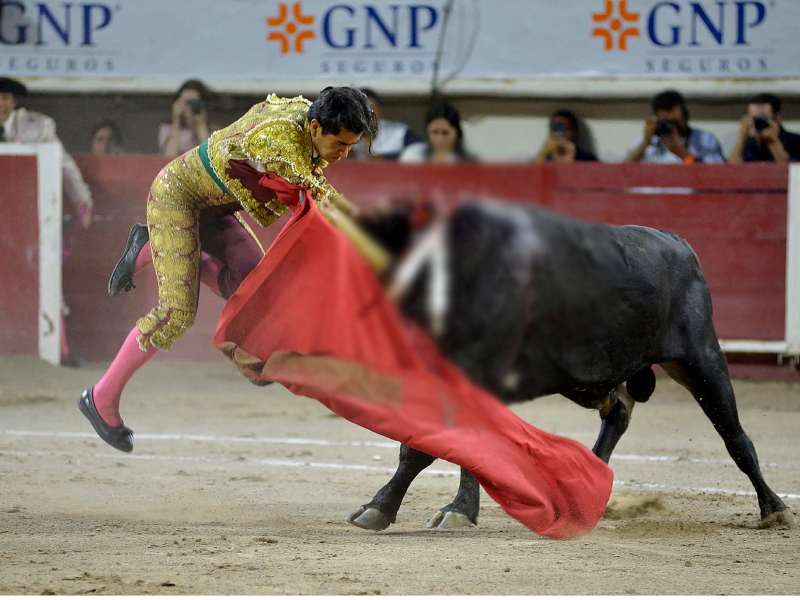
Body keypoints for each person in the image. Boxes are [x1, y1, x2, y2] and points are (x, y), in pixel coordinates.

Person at [78, 87, 378, 453]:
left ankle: (151, 247)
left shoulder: (310, 121)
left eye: (352, 145)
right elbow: (318, 199)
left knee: (252, 287)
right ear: (315, 127)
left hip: (216, 206)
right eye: (341, 144)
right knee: (176, 313)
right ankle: (101, 397)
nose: (345, 154)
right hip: (178, 197)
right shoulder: (281, 140)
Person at [0, 77, 93, 367]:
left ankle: (59, 349)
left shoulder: (38, 127)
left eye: (4, 98)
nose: (0, 103)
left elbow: (63, 164)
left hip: (30, 218)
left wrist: (82, 200)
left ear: (14, 101)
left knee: (47, 278)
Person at [626, 89, 725, 164]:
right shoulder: (649, 140)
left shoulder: (705, 140)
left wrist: (681, 152)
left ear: (686, 115)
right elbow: (623, 173)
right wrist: (645, 143)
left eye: (676, 123)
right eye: (667, 123)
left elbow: (714, 177)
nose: (673, 128)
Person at [350, 88, 422, 160]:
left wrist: (383, 158)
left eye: (371, 109)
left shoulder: (398, 132)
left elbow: (421, 153)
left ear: (380, 110)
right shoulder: (342, 135)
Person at [728, 93, 800, 163]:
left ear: (778, 118)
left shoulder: (795, 142)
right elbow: (731, 171)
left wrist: (773, 142)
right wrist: (742, 138)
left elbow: (793, 171)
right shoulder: (749, 145)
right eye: (755, 119)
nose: (759, 123)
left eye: (763, 119)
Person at [399, 102, 475, 163]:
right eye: (434, 132)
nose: (440, 139)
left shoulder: (465, 163)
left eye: (445, 133)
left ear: (456, 133)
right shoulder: (413, 156)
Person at [159, 79, 214, 157]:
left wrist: (201, 126)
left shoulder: (216, 132)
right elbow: (167, 158)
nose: (189, 107)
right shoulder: (167, 129)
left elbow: (211, 159)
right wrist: (176, 121)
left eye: (194, 103)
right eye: (185, 102)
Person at [534, 109, 598, 162]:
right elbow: (531, 175)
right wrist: (542, 154)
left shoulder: (587, 160)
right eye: (555, 129)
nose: (560, 135)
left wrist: (572, 162)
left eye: (565, 130)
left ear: (575, 133)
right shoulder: (545, 158)